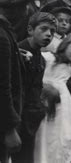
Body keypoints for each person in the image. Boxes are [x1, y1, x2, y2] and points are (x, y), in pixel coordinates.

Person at [0, 0, 40, 162]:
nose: (26, 12)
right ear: (10, 6)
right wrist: (9, 129)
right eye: (24, 6)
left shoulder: (5, 32)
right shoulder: (2, 36)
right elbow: (3, 87)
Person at [34, 33, 71, 163]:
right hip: (46, 99)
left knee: (63, 135)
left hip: (64, 102)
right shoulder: (48, 58)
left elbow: (62, 84)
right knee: (47, 134)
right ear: (65, 45)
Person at [12, 13, 57, 163]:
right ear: (30, 30)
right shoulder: (18, 53)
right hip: (16, 119)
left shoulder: (40, 58)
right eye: (44, 29)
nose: (48, 34)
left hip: (30, 120)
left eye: (52, 31)